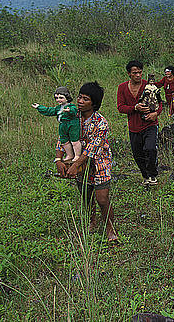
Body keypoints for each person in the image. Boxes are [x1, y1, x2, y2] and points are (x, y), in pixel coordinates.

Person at [55, 82, 118, 242]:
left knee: (102, 199)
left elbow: (92, 149)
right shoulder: (71, 116)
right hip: (79, 164)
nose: (80, 101)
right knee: (86, 195)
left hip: (99, 163)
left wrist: (75, 165)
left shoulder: (101, 123)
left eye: (85, 99)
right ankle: (92, 221)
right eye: (79, 97)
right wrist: (59, 159)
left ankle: (110, 228)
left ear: (94, 103)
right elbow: (63, 137)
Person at [117, 61, 163, 188]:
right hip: (134, 126)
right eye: (134, 73)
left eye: (140, 72)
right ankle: (145, 176)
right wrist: (135, 107)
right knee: (138, 154)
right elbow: (120, 107)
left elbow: (160, 103)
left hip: (150, 124)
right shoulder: (122, 88)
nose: (138, 75)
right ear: (129, 74)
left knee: (150, 148)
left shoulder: (149, 85)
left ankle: (153, 174)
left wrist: (156, 114)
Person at [32, 86, 81, 162]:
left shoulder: (71, 106)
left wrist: (69, 110)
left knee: (74, 141)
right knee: (64, 141)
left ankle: (77, 155)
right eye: (57, 98)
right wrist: (39, 107)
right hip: (62, 125)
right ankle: (70, 155)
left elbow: (74, 111)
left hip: (72, 125)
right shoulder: (58, 108)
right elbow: (49, 111)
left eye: (61, 97)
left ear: (67, 97)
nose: (58, 100)